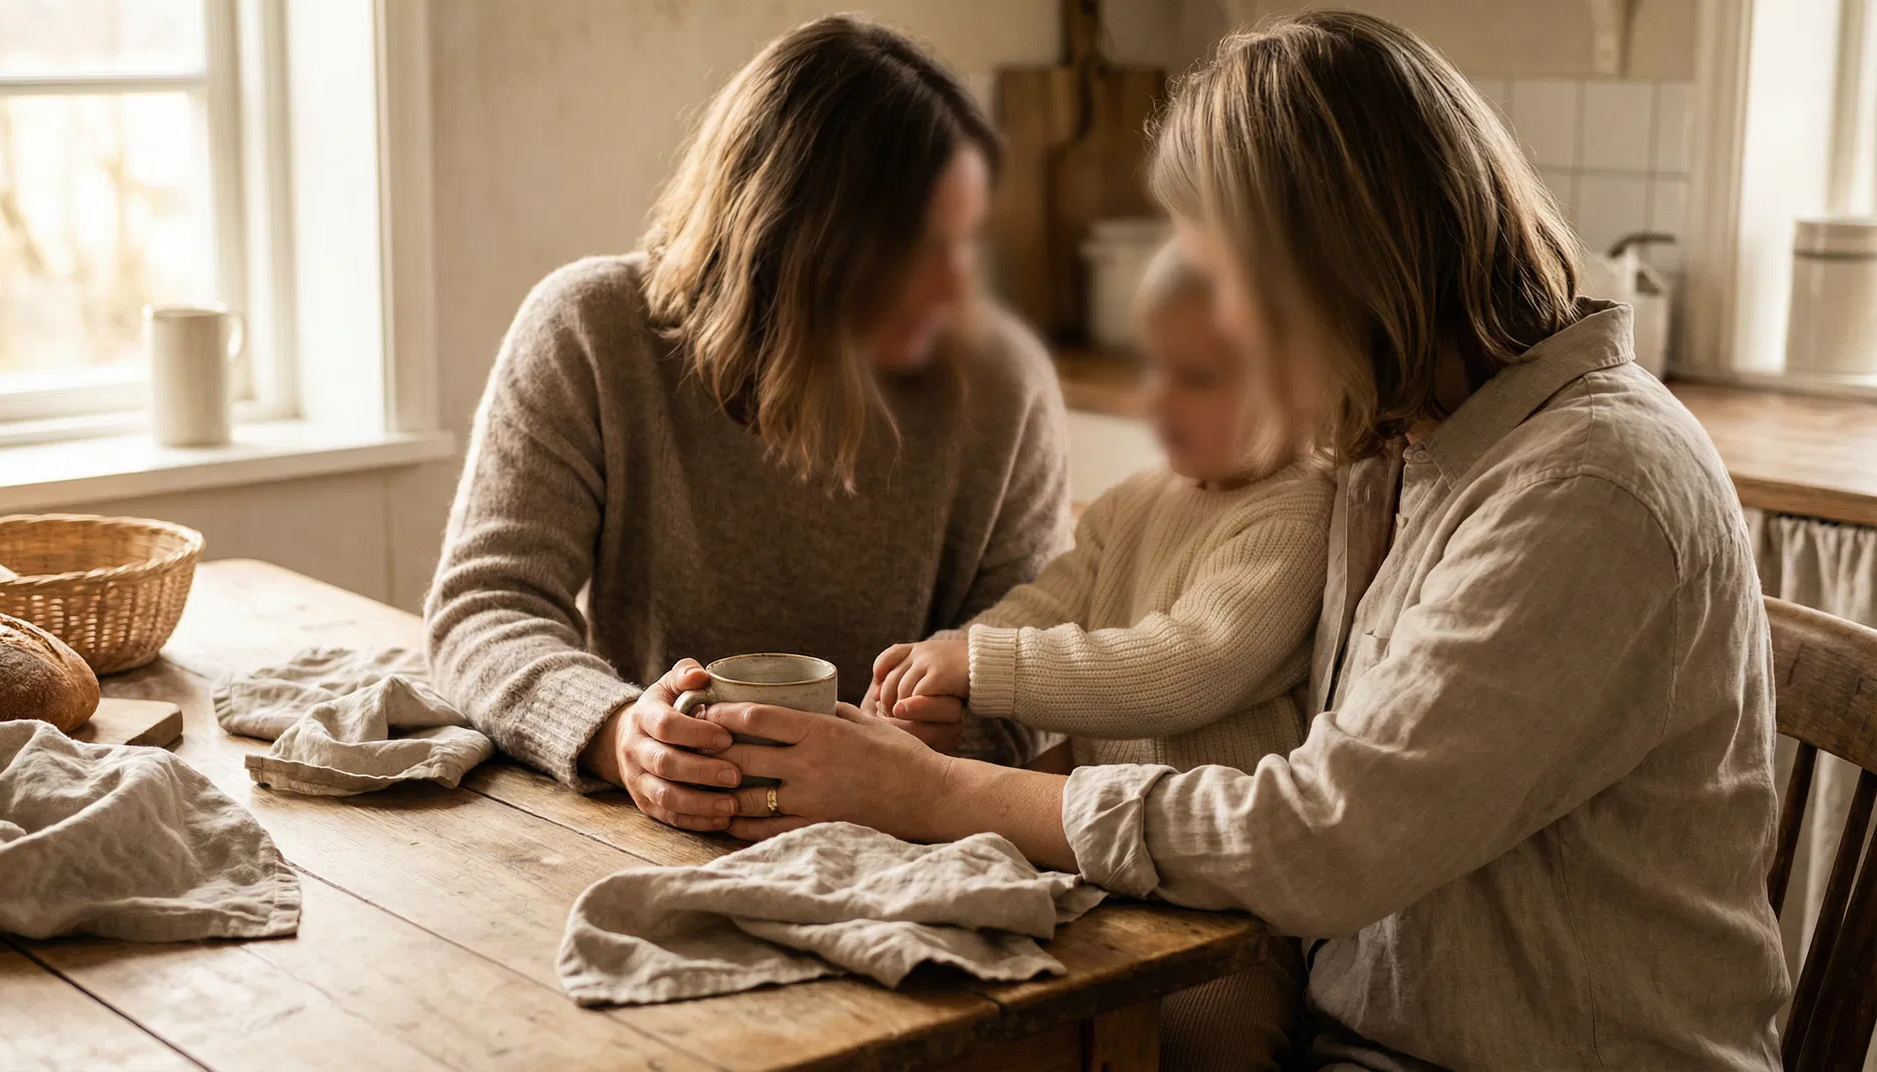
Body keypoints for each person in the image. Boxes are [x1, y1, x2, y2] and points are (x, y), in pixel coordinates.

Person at [695, 12, 1791, 1069]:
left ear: (1336, 273)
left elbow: (1323, 834)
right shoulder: (1403, 444)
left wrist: (931, 795)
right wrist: (981, 732)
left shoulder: (1589, 488)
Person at [424, 15, 1071, 831]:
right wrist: (619, 734)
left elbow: (1045, 654)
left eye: (966, 243)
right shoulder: (591, 331)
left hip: (902, 841)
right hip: (645, 831)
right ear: (790, 241)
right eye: (920, 249)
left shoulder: (1001, 383)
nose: (956, 291)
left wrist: (956, 725)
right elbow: (483, 608)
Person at [870, 241, 1332, 1070]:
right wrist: (953, 657)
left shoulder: (1297, 514)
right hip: (1096, 868)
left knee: (1204, 1046)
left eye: (1197, 378)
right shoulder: (1137, 499)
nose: (1158, 400)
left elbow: (1182, 667)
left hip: (1224, 914)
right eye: (1151, 368)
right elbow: (1052, 603)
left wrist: (990, 668)